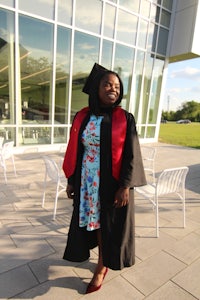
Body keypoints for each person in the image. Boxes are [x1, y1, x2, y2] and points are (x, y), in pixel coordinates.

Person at [62, 63, 146, 294]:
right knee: (95, 222)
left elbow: (132, 153)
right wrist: (71, 179)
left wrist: (125, 186)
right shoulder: (83, 117)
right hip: (87, 182)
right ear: (96, 89)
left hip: (112, 183)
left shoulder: (124, 118)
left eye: (117, 86)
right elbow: (74, 150)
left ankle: (101, 267)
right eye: (107, 84)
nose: (113, 89)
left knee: (109, 225)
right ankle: (99, 259)